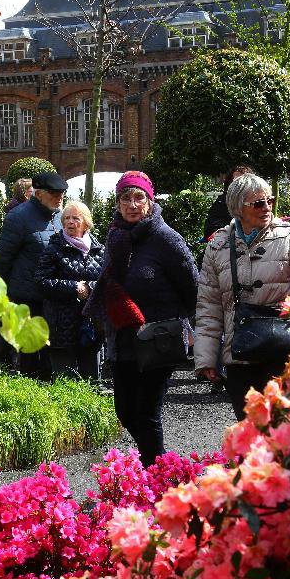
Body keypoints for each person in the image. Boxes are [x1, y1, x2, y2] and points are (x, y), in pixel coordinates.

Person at [85, 171, 197, 466]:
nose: (132, 205)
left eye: (139, 198)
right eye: (126, 198)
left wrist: (174, 321)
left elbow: (193, 286)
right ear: (118, 203)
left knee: (147, 413)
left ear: (150, 201)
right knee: (125, 411)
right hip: (124, 337)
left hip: (159, 338)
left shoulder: (166, 238)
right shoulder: (116, 235)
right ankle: (158, 466)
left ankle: (157, 477)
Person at [196, 172, 290, 420]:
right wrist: (206, 358)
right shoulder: (218, 246)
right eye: (257, 203)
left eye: (270, 200)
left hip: (283, 353)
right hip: (239, 359)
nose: (266, 208)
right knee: (248, 435)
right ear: (238, 208)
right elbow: (209, 307)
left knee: (282, 431)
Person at [0, 169, 65, 376]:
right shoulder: (18, 217)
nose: (59, 198)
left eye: (62, 194)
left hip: (54, 294)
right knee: (30, 352)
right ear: (38, 193)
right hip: (27, 295)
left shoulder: (61, 215)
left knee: (52, 350)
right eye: (54, 194)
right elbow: (3, 257)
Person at [36, 199, 105, 379]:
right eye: (66, 218)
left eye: (75, 218)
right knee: (64, 381)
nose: (69, 222)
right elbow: (41, 281)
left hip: (91, 324)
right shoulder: (53, 248)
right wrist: (74, 287)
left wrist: (90, 287)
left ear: (86, 223)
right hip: (61, 324)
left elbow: (109, 282)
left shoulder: (99, 250)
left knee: (91, 380)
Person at [203, 165, 253, 246]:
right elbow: (210, 231)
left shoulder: (258, 202)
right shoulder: (221, 202)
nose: (238, 185)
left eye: (243, 181)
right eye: (235, 181)